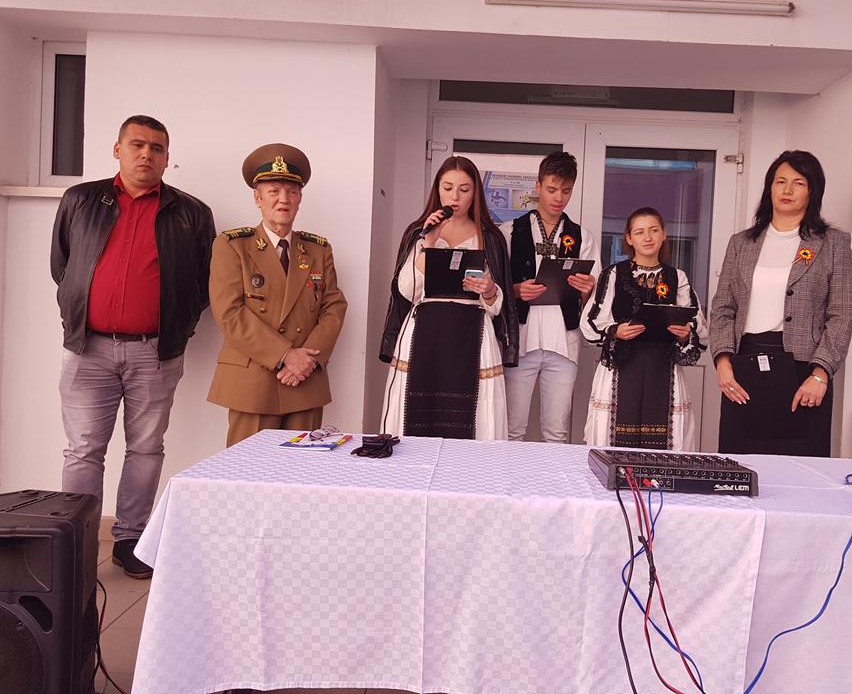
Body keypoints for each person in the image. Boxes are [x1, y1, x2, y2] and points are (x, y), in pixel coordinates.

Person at [51, 114, 216, 578]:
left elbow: (204, 283)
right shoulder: (80, 200)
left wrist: (178, 328)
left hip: (155, 352)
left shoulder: (192, 213)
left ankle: (130, 540)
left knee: (146, 447)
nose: (147, 154)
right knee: (83, 449)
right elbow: (63, 266)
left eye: (157, 148)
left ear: (167, 157)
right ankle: (75, 545)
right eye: (137, 145)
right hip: (87, 348)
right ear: (117, 149)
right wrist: (79, 311)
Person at [710, 150, 852, 457]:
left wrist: (821, 374)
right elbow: (723, 308)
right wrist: (723, 363)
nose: (787, 190)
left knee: (801, 469)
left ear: (812, 191)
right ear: (770, 187)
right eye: (780, 181)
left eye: (798, 183)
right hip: (744, 367)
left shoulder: (832, 243)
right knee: (740, 466)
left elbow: (842, 314)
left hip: (805, 371)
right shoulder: (741, 243)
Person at [207, 143, 347, 447]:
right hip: (253, 381)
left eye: (292, 191)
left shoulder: (318, 250)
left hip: (305, 380)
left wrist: (307, 361)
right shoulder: (232, 246)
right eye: (274, 191)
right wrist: (285, 355)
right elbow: (229, 312)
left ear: (300, 199)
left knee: (302, 469)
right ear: (257, 198)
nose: (284, 199)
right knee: (248, 470)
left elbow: (334, 306)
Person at [379, 155, 518, 439]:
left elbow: (498, 305)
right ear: (437, 190)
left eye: (464, 189)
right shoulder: (418, 232)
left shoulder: (490, 236)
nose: (455, 197)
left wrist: (489, 290)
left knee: (473, 418)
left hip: (473, 333)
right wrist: (428, 244)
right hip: (424, 332)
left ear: (475, 193)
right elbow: (406, 291)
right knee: (418, 415)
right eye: (448, 188)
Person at [581, 208, 706, 449]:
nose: (647, 237)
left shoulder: (677, 277)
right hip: (621, 366)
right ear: (629, 238)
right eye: (639, 232)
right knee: (614, 439)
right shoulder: (613, 274)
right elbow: (590, 322)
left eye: (653, 230)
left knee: (665, 441)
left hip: (663, 366)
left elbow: (696, 322)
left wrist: (685, 334)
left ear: (664, 234)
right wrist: (616, 331)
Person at [500, 151, 600, 443]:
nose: (559, 198)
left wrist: (588, 290)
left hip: (564, 343)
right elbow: (493, 287)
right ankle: (504, 476)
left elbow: (597, 299)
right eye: (552, 189)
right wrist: (516, 290)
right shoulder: (509, 232)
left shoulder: (583, 237)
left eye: (566, 191)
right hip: (520, 341)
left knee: (556, 432)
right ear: (538, 186)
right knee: (512, 429)